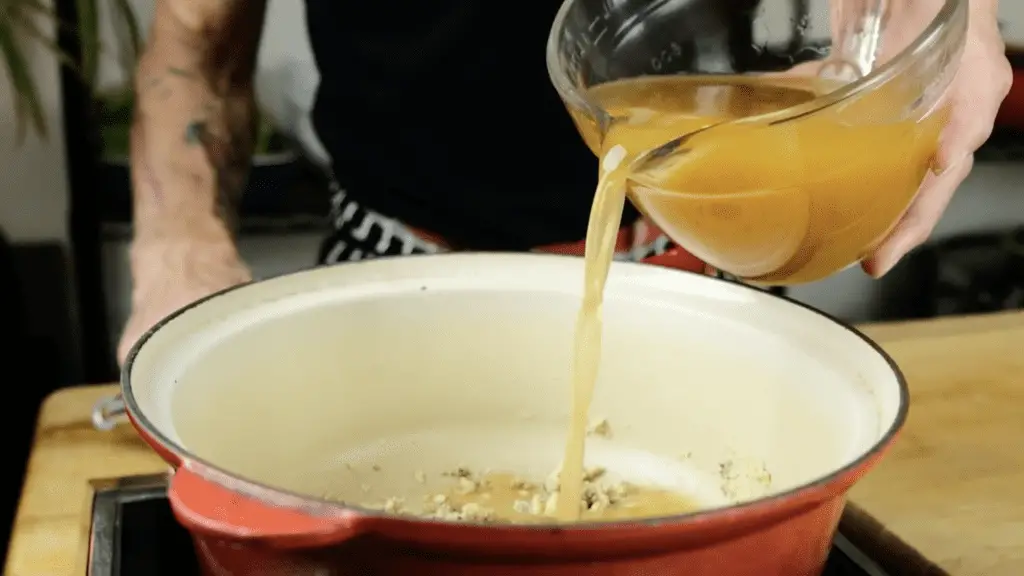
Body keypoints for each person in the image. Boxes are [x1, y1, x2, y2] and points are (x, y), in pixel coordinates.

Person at [117, 0, 1010, 364]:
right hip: (397, 270)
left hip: (696, 247)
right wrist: (175, 251)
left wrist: (943, 20)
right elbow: (196, 45)